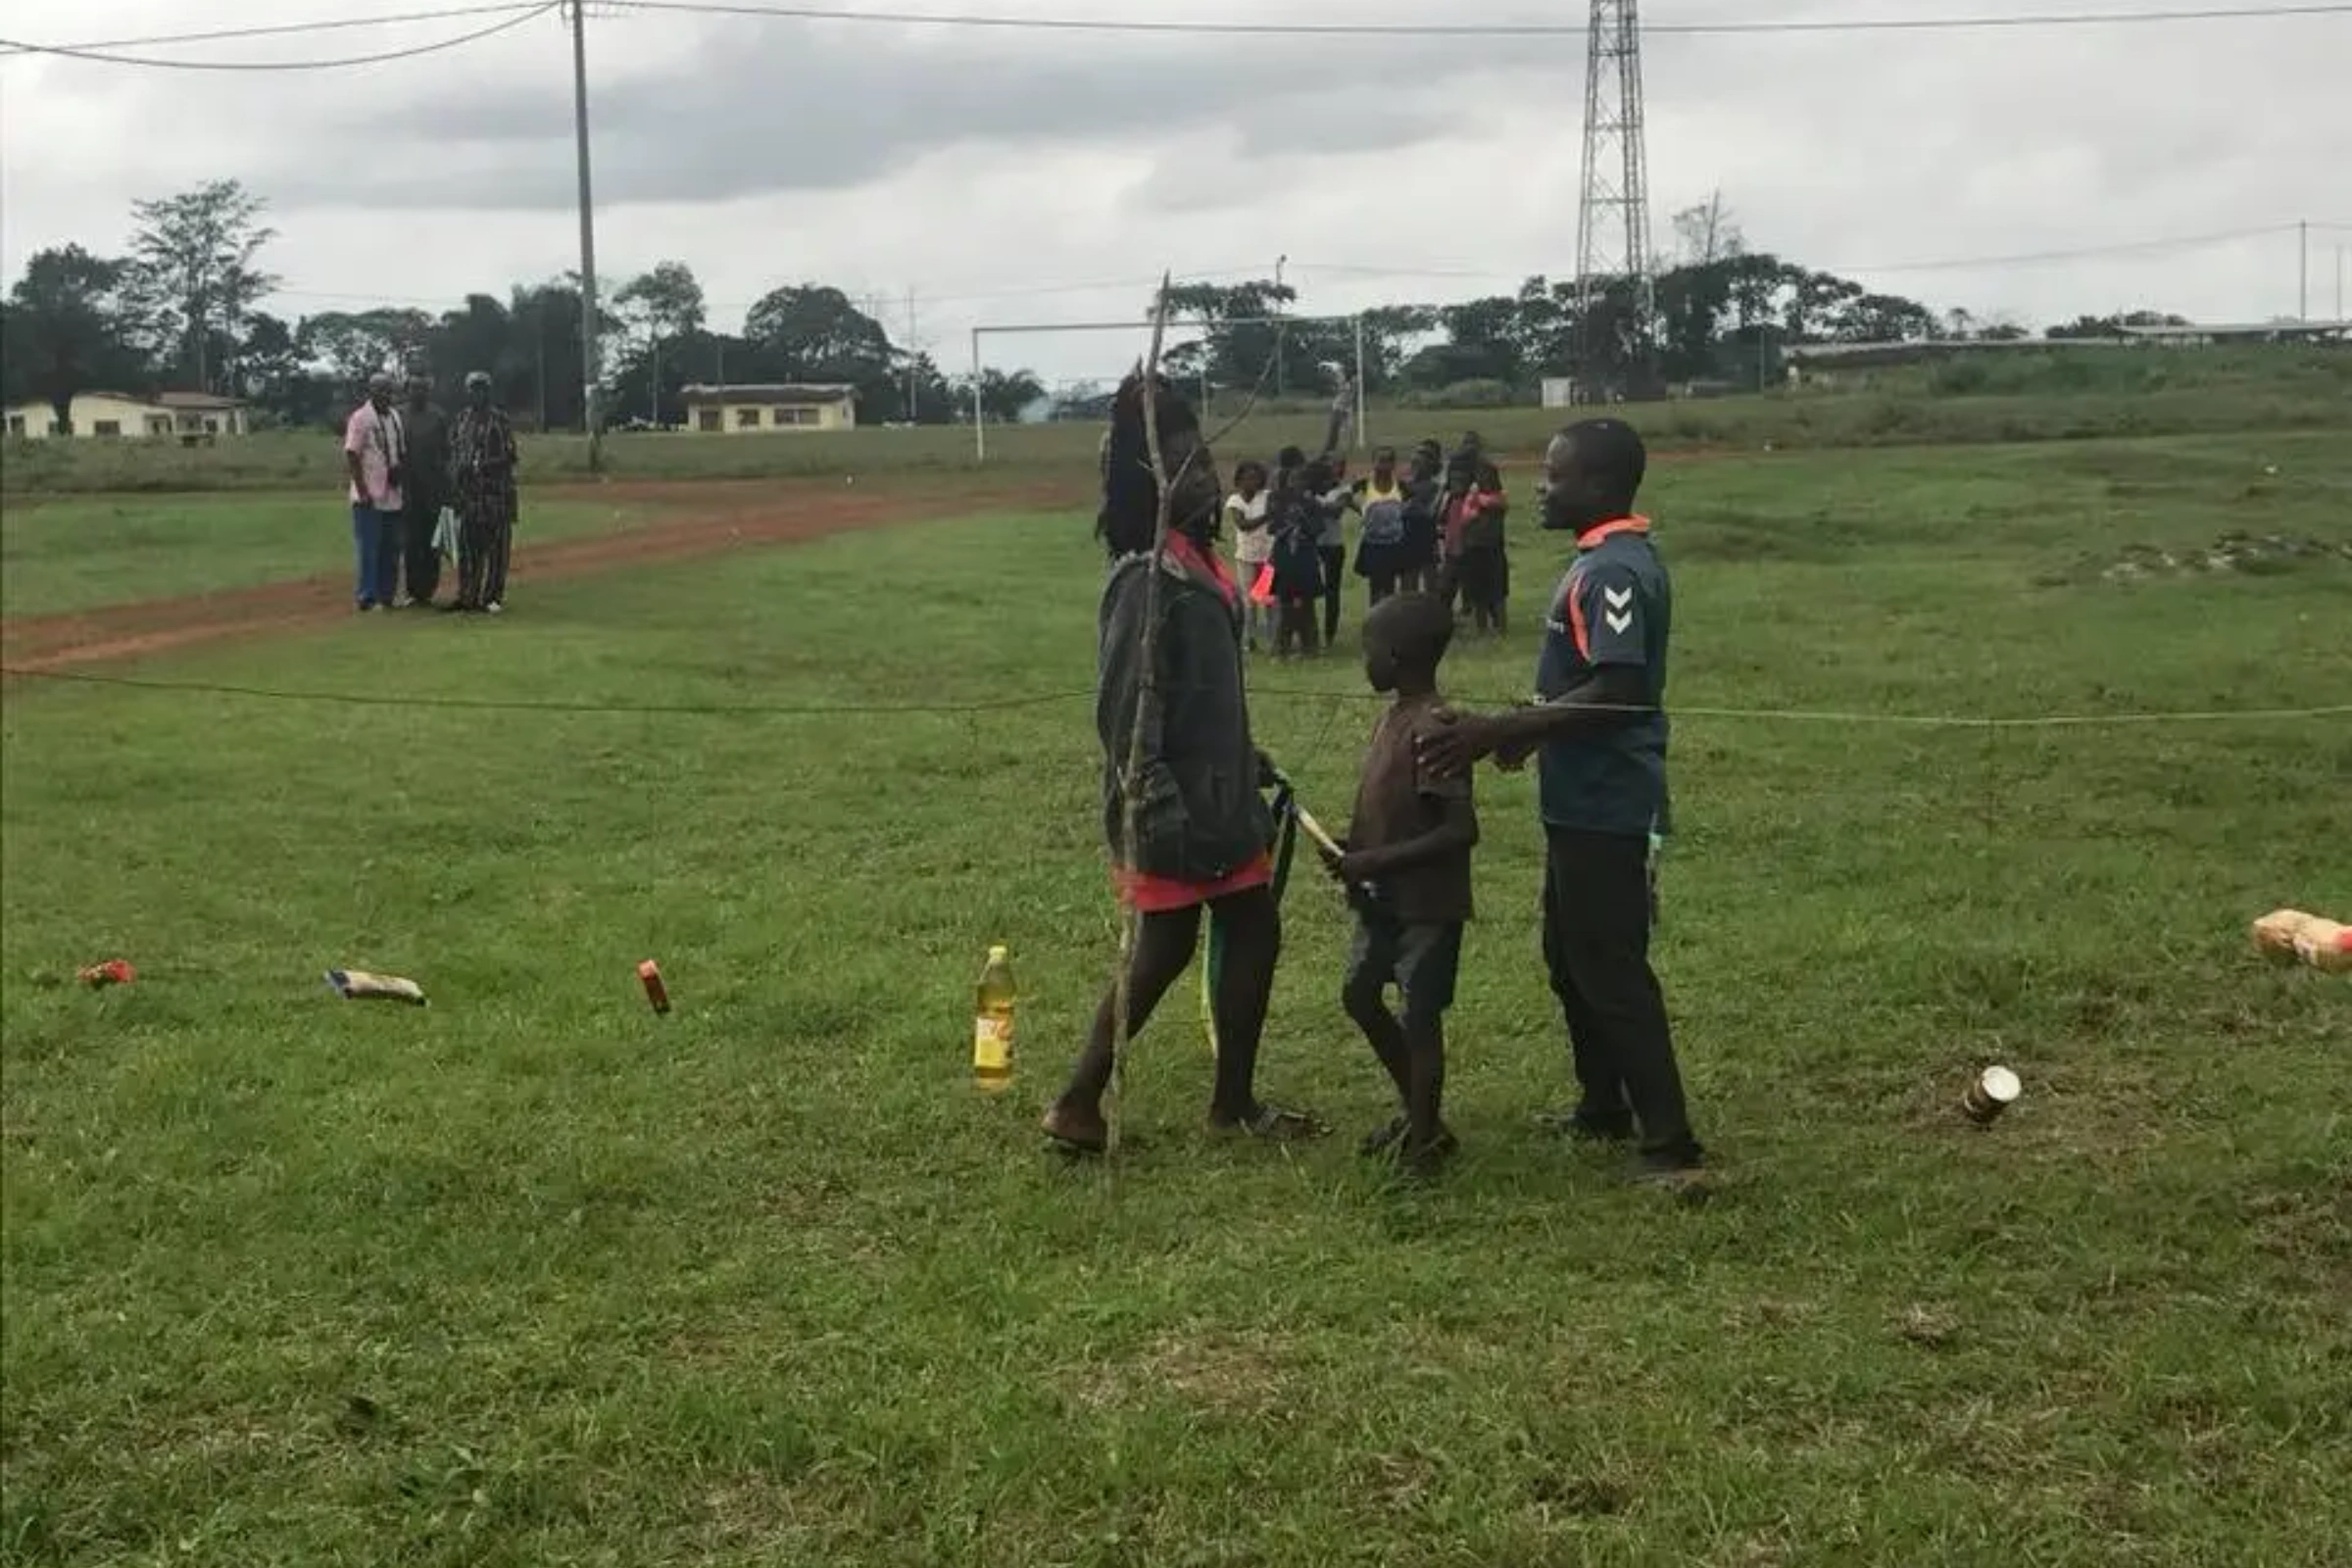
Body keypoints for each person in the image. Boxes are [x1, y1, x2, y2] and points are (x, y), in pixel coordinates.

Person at [1041, 371, 1323, 1155]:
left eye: (1207, 463)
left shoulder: (1199, 564)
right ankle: (1077, 1101)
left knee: (1247, 930)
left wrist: (1245, 756)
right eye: (1187, 468)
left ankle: (1231, 1101)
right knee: (1164, 949)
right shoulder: (1146, 581)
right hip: (1172, 807)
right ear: (1155, 483)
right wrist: (1159, 808)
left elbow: (1204, 694)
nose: (1207, 481)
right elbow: (1126, 714)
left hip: (1223, 795)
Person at [1419, 417, 1704, 1185]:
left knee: (1610, 968)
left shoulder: (1613, 572)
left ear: (1602, 487)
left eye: (1556, 474)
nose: (1540, 487)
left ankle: (1670, 1144)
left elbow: (1619, 688)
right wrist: (1535, 730)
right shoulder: (1597, 563)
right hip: (1576, 797)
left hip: (1609, 805)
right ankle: (1602, 1107)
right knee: (1568, 958)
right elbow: (1587, 686)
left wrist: (1503, 727)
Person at [1328, 592, 1479, 1178]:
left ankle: (1424, 1140)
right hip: (1381, 899)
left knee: (1420, 1016)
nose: (1363, 659)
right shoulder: (1390, 717)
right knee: (1360, 996)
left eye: (1368, 649)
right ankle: (1422, 1117)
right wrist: (1353, 848)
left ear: (1394, 655)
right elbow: (1388, 811)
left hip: (1426, 904)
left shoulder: (1437, 729)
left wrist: (1376, 862)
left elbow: (1461, 831)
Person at [447, 371, 519, 615]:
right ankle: (467, 595)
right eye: (473, 389)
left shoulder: (499, 420)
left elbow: (510, 455)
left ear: (488, 391)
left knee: (496, 549)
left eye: (482, 389)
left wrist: (481, 465)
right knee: (468, 549)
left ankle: (493, 596)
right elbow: (454, 452)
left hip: (495, 494)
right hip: (468, 495)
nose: (477, 393)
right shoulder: (461, 419)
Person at [342, 373, 404, 612]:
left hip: (393, 493)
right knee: (369, 547)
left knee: (391, 547)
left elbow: (399, 450)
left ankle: (387, 595)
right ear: (371, 392)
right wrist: (362, 490)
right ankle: (367, 597)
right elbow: (352, 454)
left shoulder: (394, 417)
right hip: (369, 493)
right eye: (381, 391)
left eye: (389, 391)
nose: (386, 396)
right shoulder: (360, 418)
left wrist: (399, 471)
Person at [397, 375, 450, 609]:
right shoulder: (397, 416)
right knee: (411, 542)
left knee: (432, 542)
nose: (418, 392)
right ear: (406, 390)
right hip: (407, 488)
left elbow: (447, 452)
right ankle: (412, 590)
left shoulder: (438, 416)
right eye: (414, 388)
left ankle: (428, 590)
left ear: (428, 391)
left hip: (433, 488)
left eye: (422, 389)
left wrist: (448, 487)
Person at [1269, 472, 1326, 659]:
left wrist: (1303, 519)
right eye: (1293, 480)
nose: (1297, 484)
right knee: (1285, 603)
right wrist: (1287, 526)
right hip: (1284, 556)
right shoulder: (1277, 501)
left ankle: (1310, 646)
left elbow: (1317, 530)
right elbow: (1272, 529)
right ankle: (1282, 647)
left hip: (1305, 557)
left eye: (1301, 479)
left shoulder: (1313, 504)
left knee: (1307, 602)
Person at [1452, 457, 1510, 636]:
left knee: (1498, 593)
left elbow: (1496, 503)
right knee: (1479, 594)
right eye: (1479, 475)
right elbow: (1464, 519)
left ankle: (1501, 628)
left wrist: (1477, 500)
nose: (1482, 479)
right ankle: (1482, 628)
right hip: (1474, 549)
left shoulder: (1499, 496)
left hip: (1493, 550)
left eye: (1486, 475)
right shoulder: (1473, 497)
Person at [1223, 459, 1275, 652]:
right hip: (1246, 557)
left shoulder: (1267, 496)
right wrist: (1268, 516)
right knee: (1249, 602)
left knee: (1268, 599)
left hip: (1267, 556)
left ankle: (1272, 639)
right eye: (1247, 478)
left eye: (1255, 478)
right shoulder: (1235, 501)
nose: (1251, 482)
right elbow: (1243, 525)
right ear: (1240, 480)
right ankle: (1247, 640)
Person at [1352, 446, 1412, 606]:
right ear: (1374, 462)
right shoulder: (1365, 484)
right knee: (1375, 586)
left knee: (1390, 586)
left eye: (1388, 461)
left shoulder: (1401, 486)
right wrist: (1361, 512)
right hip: (1373, 544)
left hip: (1394, 543)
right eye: (1380, 460)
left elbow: (1413, 504)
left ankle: (1389, 618)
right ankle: (1374, 618)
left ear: (1394, 464)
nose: (1384, 465)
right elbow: (1344, 496)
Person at [1313, 454, 1357, 645]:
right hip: (1314, 544)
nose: (1339, 469)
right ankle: (1311, 632)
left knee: (1332, 591)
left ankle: (1329, 634)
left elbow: (1337, 511)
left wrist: (1312, 505)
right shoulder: (1313, 489)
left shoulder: (1344, 489)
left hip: (1333, 545)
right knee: (1307, 589)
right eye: (1335, 465)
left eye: (1342, 465)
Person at [1396, 439, 1445, 599]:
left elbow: (1432, 512)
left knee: (1431, 579)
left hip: (1426, 535)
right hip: (1407, 535)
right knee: (1408, 581)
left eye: (1423, 460)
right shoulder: (1405, 486)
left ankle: (1431, 614)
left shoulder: (1435, 487)